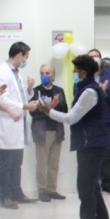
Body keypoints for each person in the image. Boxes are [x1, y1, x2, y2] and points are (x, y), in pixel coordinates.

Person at [37, 54, 110, 219]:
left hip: (92, 143)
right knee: (92, 184)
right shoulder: (85, 88)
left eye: (75, 71)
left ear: (84, 72)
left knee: (84, 186)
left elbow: (71, 118)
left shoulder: (89, 92)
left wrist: (49, 112)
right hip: (92, 142)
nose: (74, 74)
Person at [0, 41, 38, 208]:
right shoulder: (1, 72)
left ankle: (16, 193)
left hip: (17, 123)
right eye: (25, 57)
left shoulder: (15, 72)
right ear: (19, 55)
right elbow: (0, 98)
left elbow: (18, 95)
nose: (25, 60)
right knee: (5, 163)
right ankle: (4, 196)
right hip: (7, 123)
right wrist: (24, 107)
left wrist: (29, 89)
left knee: (16, 162)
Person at [29, 63, 67, 202]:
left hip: (56, 131)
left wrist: (54, 107)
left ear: (53, 76)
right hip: (42, 132)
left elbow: (65, 112)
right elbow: (34, 114)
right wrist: (50, 108)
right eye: (42, 73)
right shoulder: (35, 92)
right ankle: (42, 190)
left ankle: (52, 189)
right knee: (41, 163)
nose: (45, 76)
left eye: (47, 73)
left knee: (54, 163)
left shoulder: (59, 91)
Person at [88, 50, 110, 195]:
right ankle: (91, 183)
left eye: (96, 57)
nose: (94, 60)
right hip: (88, 120)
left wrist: (105, 92)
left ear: (100, 60)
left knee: (106, 153)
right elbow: (77, 93)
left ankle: (107, 183)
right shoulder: (83, 76)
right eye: (91, 58)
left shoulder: (108, 76)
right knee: (90, 153)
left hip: (105, 119)